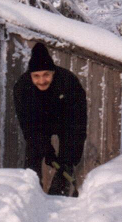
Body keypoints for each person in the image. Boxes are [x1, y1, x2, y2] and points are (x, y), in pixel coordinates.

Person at [13, 42, 87, 195]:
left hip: (66, 122)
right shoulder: (22, 88)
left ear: (53, 72)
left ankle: (59, 194)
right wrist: (46, 150)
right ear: (30, 75)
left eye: (46, 74)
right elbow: (29, 127)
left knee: (67, 160)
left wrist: (68, 159)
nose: (42, 80)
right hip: (38, 123)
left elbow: (77, 125)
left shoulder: (69, 82)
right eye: (36, 76)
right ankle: (31, 193)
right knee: (33, 155)